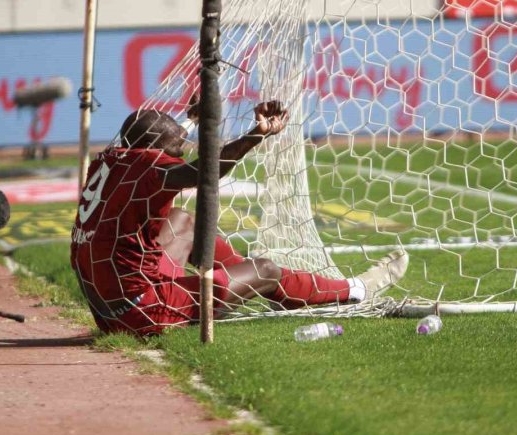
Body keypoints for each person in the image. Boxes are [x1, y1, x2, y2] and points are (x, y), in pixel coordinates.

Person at [70, 100, 409, 336]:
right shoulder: (150, 167)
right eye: (177, 150)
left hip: (106, 310)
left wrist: (192, 119)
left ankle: (256, 287)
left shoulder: (110, 159)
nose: (181, 152)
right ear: (157, 149)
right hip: (140, 313)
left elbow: (155, 134)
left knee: (181, 221)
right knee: (266, 269)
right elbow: (205, 172)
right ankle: (356, 290)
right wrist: (256, 135)